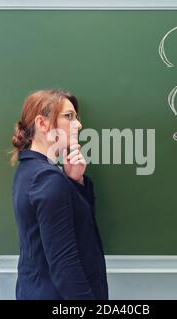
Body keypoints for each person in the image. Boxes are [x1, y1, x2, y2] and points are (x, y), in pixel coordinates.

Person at [9, 89, 108, 300]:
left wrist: (76, 182)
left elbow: (74, 228)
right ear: (42, 124)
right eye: (69, 116)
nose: (78, 125)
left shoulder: (30, 171)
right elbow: (64, 262)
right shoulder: (48, 179)